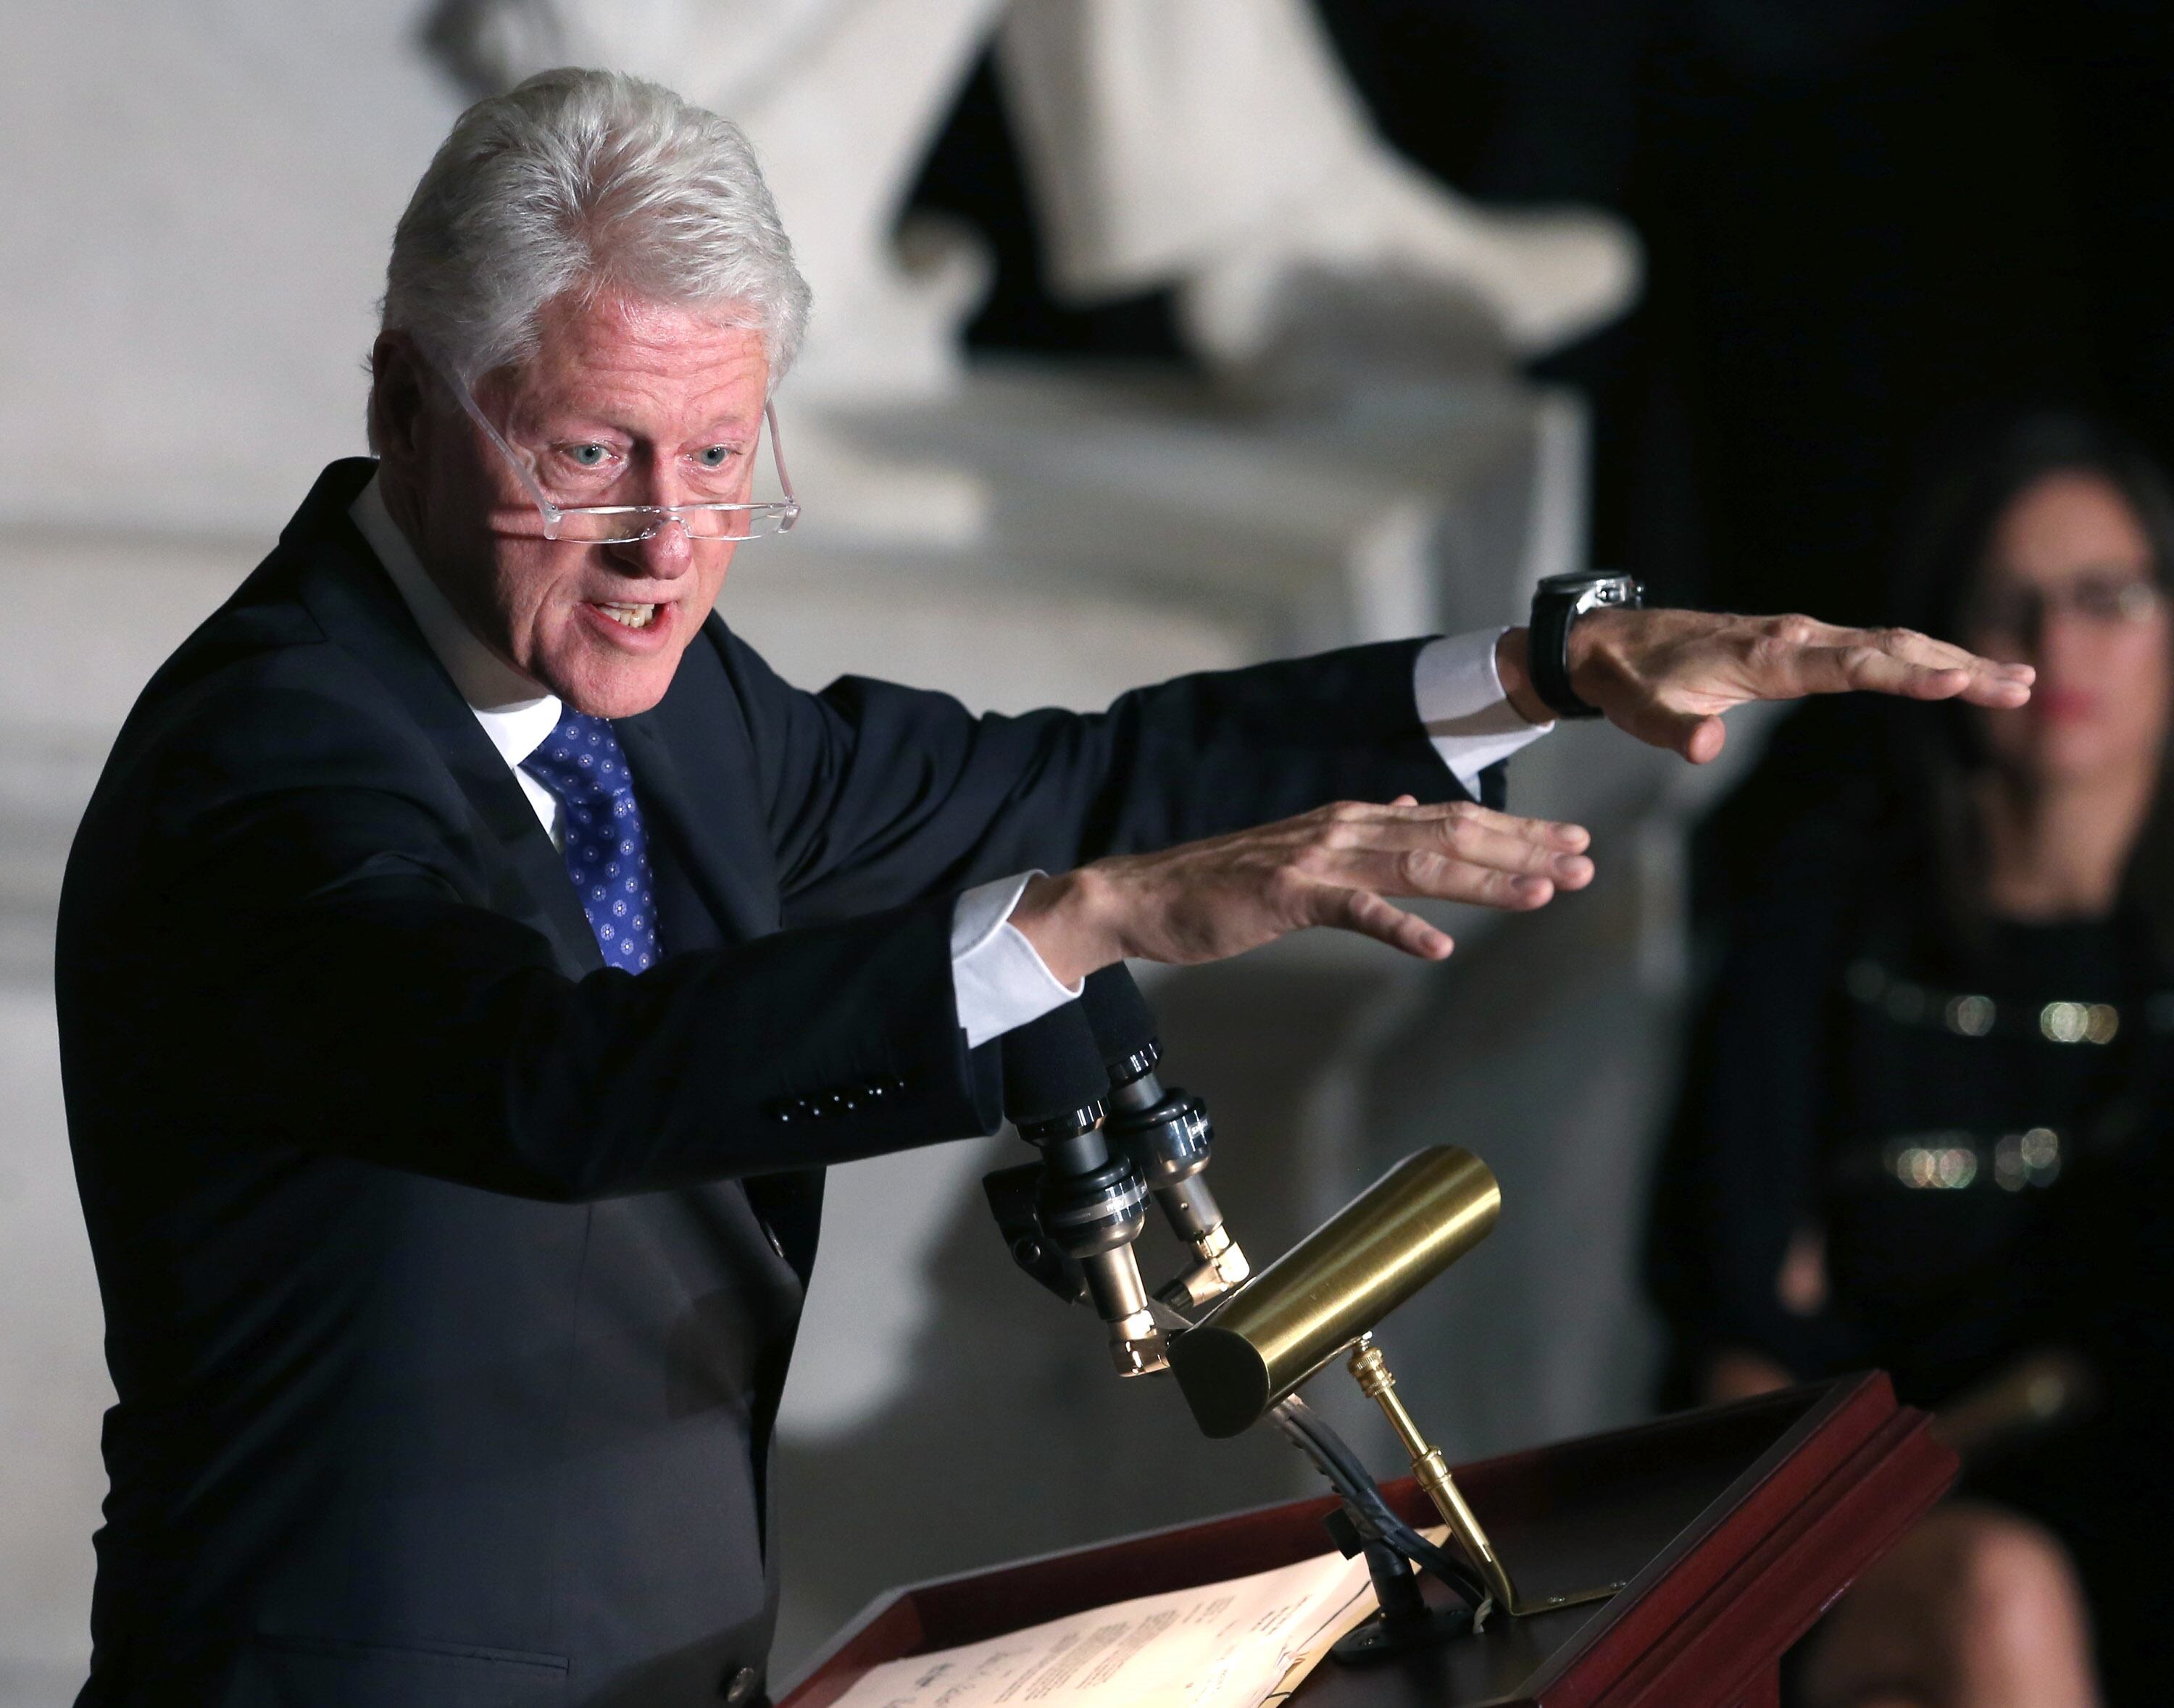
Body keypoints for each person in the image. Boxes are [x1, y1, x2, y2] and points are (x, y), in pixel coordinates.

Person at [57, 68, 2029, 1708]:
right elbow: (551, 1078)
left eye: (723, 454)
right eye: (593, 452)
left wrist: (1542, 672)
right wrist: (1085, 921)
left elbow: (1063, 775)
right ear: (405, 397)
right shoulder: (272, 766)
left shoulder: (665, 701)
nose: (671, 542)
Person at [1648, 412, 2174, 1708]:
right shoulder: (1832, 909)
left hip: (2145, 1505)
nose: (2061, 648)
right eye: (2013, 605)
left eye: (2107, 598)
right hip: (1867, 1524)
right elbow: (1736, 1325)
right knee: (2000, 1597)